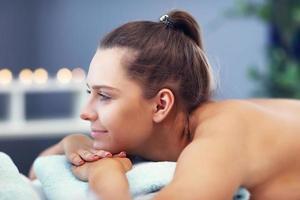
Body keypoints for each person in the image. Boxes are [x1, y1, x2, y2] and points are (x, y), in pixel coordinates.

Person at [29, 10, 300, 200]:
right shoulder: (150, 136)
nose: (85, 112)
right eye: (91, 92)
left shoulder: (223, 134)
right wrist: (72, 143)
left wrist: (106, 172)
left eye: (105, 96)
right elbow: (37, 174)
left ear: (160, 105)